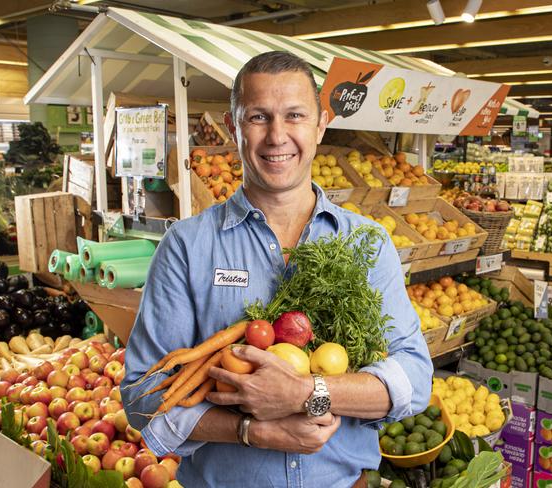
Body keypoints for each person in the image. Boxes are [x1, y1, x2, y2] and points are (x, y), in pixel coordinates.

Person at [122, 51, 433, 487]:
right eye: (258, 117)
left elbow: (415, 380)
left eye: (294, 115)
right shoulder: (187, 247)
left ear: (321, 124)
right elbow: (140, 396)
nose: (277, 135)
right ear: (234, 128)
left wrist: (309, 396)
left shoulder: (367, 243)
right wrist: (253, 431)